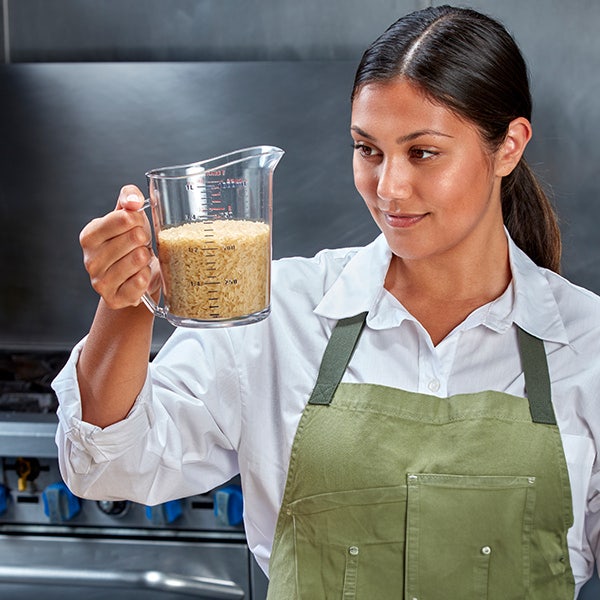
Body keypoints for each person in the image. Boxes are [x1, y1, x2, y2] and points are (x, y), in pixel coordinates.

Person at [52, 5, 600, 598]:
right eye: (368, 149)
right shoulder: (277, 313)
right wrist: (126, 298)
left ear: (508, 147)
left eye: (422, 152)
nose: (388, 187)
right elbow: (107, 466)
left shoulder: (587, 344)